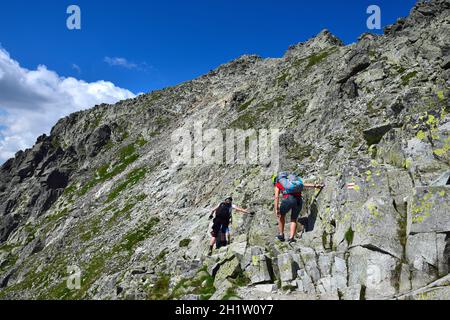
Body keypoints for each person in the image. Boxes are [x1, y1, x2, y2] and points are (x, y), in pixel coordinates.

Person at [272, 173, 324, 244]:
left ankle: (281, 235)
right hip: (298, 200)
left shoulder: (278, 184)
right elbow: (303, 185)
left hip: (288, 199)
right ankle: (291, 238)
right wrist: (315, 185)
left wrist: (276, 208)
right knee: (294, 219)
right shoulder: (293, 183)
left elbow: (276, 197)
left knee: (281, 215)